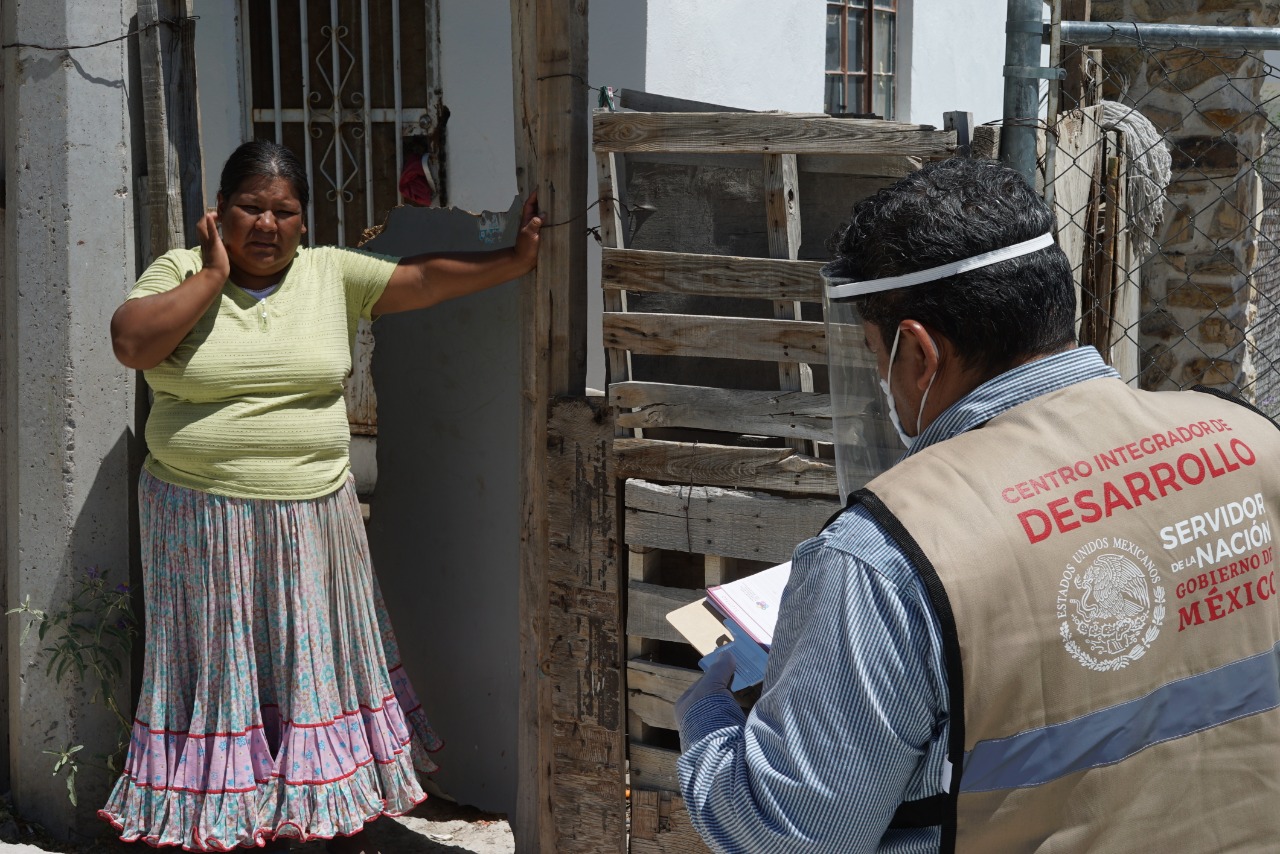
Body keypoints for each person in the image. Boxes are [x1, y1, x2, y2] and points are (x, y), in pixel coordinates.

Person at [675, 157, 1280, 853]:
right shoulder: (1251, 442)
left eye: (878, 356)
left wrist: (708, 721)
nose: (880, 380)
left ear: (920, 354)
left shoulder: (883, 556)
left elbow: (794, 839)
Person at [101, 140, 541, 850]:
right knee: (224, 672)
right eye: (251, 208)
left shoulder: (330, 274)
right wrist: (213, 276)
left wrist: (514, 261)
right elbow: (131, 343)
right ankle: (223, 810)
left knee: (306, 667)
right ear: (219, 214)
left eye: (285, 211)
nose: (267, 225)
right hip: (200, 517)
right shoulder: (180, 271)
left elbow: (422, 281)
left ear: (305, 222)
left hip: (313, 516)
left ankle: (305, 811)